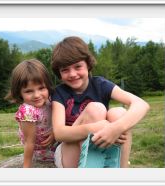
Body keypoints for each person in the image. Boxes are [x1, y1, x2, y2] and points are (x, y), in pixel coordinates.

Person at [51, 36, 150, 168]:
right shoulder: (59, 92)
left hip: (101, 149)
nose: (72, 74)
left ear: (88, 64)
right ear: (59, 72)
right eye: (65, 70)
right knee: (95, 109)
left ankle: (121, 170)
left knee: (119, 113)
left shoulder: (100, 84)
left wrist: (116, 128)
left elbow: (141, 104)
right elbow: (59, 133)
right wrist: (94, 128)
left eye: (78, 66)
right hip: (69, 153)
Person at [6, 59, 56, 168]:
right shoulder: (28, 111)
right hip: (41, 152)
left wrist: (56, 132)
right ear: (19, 92)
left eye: (41, 88)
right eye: (29, 91)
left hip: (55, 142)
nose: (37, 95)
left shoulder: (51, 101)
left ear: (47, 85)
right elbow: (29, 142)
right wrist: (27, 168)